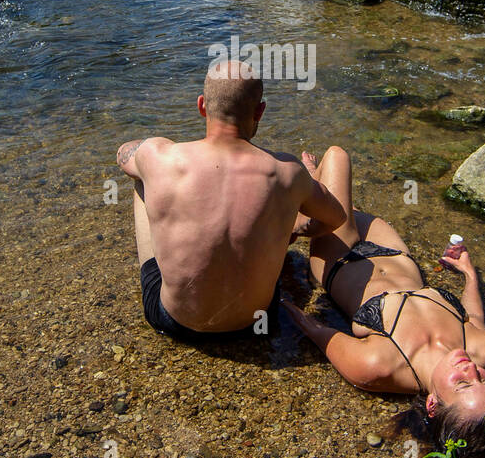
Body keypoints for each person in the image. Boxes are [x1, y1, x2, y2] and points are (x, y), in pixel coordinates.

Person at [283, 146, 485, 458]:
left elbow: (318, 331)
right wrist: (469, 275)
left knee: (338, 157)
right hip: (395, 252)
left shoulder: (379, 366)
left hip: (340, 259)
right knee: (340, 199)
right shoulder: (483, 351)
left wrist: (277, 298)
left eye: (462, 383)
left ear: (432, 404)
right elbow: (475, 316)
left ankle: (312, 182)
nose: (472, 370)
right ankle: (316, 185)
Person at [117, 61, 346, 342]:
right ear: (260, 111)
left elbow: (123, 153)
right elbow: (337, 217)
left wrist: (151, 147)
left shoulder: (161, 156)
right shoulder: (287, 171)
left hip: (175, 322)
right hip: (255, 323)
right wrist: (296, 229)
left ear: (201, 106)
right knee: (286, 207)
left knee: (142, 179)